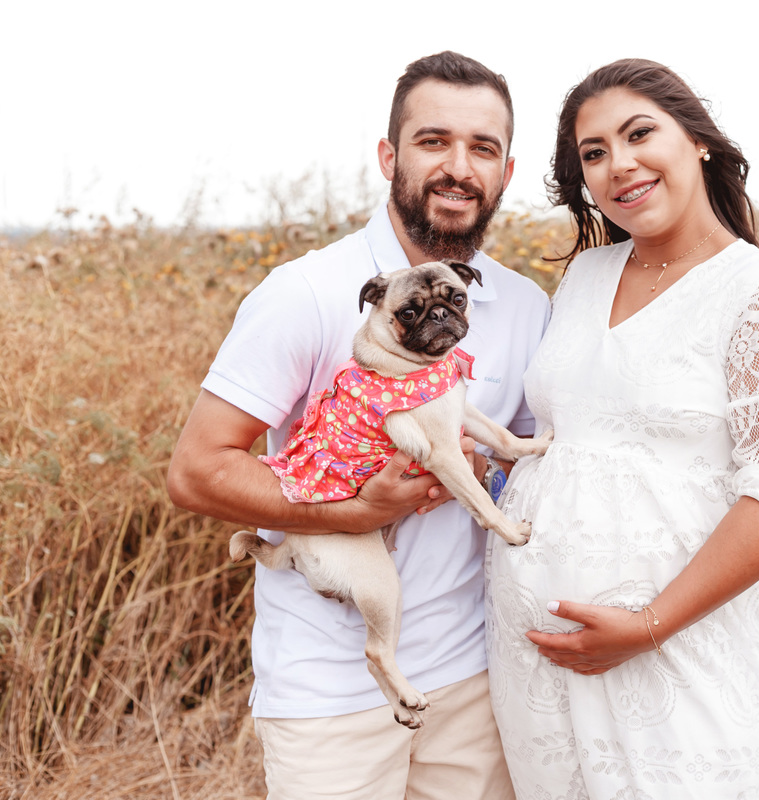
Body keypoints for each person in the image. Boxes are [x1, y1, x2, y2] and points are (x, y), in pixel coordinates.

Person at [167, 51, 548, 800]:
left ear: (506, 170)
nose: (458, 167)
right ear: (389, 155)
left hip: (476, 677)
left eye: (483, 148)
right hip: (328, 691)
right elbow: (197, 472)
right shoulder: (305, 293)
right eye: (433, 141)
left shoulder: (526, 305)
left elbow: (535, 468)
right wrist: (357, 511)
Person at [484, 59, 759, 799]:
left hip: (683, 654)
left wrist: (650, 624)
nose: (618, 164)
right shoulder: (585, 277)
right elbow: (568, 441)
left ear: (697, 141)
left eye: (638, 134)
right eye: (593, 154)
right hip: (541, 671)